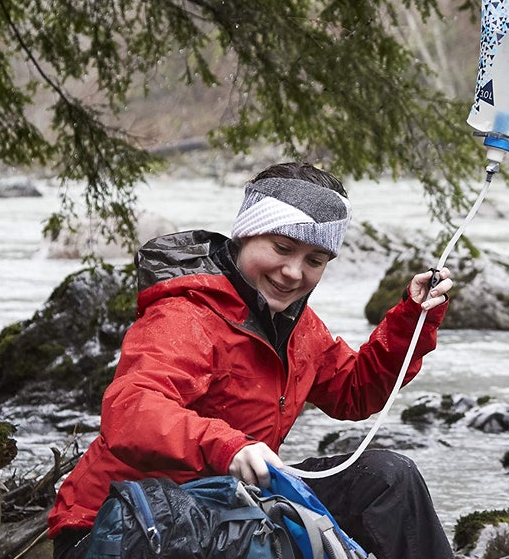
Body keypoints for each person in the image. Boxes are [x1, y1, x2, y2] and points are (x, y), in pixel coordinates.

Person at [47, 163, 456, 559]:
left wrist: (412, 319)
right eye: (282, 248)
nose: (294, 272)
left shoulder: (296, 326)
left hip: (230, 504)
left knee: (388, 478)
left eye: (315, 260)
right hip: (116, 523)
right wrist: (229, 447)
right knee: (255, 535)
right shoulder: (186, 313)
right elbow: (132, 410)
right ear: (245, 234)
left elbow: (356, 392)